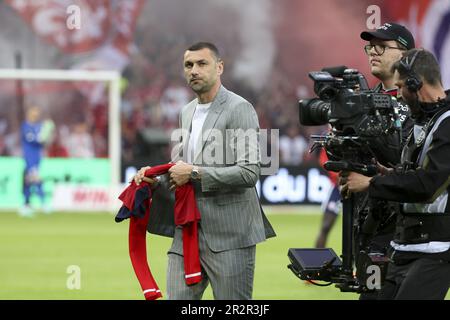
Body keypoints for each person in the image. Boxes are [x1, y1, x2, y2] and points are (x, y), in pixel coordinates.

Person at [134, 42, 275, 300]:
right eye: (189, 65)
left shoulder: (239, 108)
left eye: (202, 64)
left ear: (219, 67)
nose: (194, 70)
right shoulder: (186, 112)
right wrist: (156, 181)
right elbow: (181, 173)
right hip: (187, 232)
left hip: (230, 237)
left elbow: (249, 172)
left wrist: (195, 172)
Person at [341, 48, 450, 300]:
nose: (399, 95)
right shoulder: (427, 120)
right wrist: (387, 172)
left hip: (436, 250)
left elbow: (427, 185)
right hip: (402, 247)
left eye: (401, 86)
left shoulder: (447, 123)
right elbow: (415, 173)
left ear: (416, 83)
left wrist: (371, 183)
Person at [19, 105, 54, 217]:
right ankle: (42, 203)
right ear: (29, 113)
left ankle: (26, 205)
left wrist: (48, 133)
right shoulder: (25, 126)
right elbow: (34, 140)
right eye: (34, 112)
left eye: (37, 112)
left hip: (37, 157)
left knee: (30, 181)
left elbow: (44, 141)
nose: (36, 114)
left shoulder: (39, 126)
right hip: (29, 158)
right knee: (35, 179)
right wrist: (42, 136)